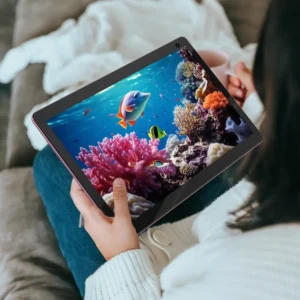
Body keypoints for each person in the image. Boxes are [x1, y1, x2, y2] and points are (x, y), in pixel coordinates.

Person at [33, 0, 300, 298]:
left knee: (50, 164)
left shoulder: (256, 274)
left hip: (160, 266)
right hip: (241, 204)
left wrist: (120, 256)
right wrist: (268, 113)